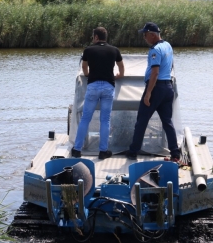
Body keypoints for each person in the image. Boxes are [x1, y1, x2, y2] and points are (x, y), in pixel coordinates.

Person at [127, 22, 181, 162]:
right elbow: (169, 67)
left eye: (145, 35)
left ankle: (133, 151)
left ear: (152, 35)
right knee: (167, 122)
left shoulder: (155, 50)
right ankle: (175, 153)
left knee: (142, 121)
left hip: (156, 88)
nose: (144, 38)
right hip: (168, 87)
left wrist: (148, 93)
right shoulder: (167, 45)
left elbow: (155, 73)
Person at [72, 27, 124, 160]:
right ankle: (103, 151)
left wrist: (87, 74)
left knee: (86, 118)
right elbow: (121, 66)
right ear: (105, 37)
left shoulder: (88, 50)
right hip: (108, 86)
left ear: (96, 37)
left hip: (93, 86)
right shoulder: (114, 50)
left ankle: (77, 150)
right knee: (105, 120)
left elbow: (84, 66)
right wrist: (119, 76)